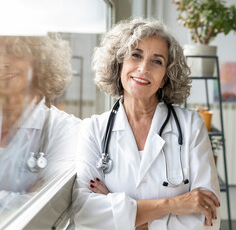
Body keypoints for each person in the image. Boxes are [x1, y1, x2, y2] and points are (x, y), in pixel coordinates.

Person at [72, 18, 221, 230]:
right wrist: (173, 204)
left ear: (165, 78)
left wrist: (122, 214)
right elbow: (85, 211)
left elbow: (209, 219)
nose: (143, 68)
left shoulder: (191, 126)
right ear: (119, 63)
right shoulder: (94, 130)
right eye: (136, 55)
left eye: (157, 61)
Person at [0, 35, 80, 218]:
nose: (3, 62)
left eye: (14, 53)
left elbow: (53, 208)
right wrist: (23, 197)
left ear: (40, 62)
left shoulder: (67, 130)